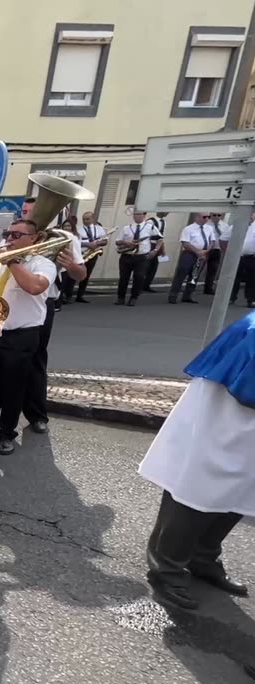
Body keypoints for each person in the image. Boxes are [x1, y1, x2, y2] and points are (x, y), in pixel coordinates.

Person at [140, 309, 254, 609]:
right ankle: (166, 567)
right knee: (200, 486)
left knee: (242, 490)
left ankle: (203, 557)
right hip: (230, 413)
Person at [0, 219, 57, 455]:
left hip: (21, 334)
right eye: (8, 234)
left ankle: (6, 434)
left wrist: (13, 262)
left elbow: (35, 287)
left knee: (13, 388)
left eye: (17, 235)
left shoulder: (43, 264)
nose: (10, 239)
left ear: (35, 238)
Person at [22, 225, 84, 435]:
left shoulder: (63, 238)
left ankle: (37, 414)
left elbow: (80, 274)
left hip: (42, 300)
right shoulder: (11, 231)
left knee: (36, 358)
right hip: (7, 297)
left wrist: (71, 265)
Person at [115, 212, 160, 307]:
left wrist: (155, 250)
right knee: (123, 277)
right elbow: (117, 241)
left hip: (142, 256)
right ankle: (121, 298)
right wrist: (125, 242)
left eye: (139, 214)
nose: (137, 216)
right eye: (135, 214)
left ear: (144, 216)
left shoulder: (150, 227)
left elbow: (160, 239)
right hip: (127, 255)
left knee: (139, 276)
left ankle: (134, 297)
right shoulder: (127, 227)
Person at [169, 213, 214, 304]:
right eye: (204, 217)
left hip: (202, 254)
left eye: (208, 217)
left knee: (195, 275)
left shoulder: (209, 228)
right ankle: (173, 295)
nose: (206, 219)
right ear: (197, 217)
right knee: (181, 274)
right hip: (189, 254)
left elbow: (212, 241)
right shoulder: (188, 229)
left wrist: (206, 251)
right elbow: (185, 243)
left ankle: (187, 295)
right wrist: (197, 252)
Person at [232, 215, 255, 308]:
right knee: (234, 277)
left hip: (252, 257)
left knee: (252, 279)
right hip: (239, 256)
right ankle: (230, 297)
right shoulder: (242, 225)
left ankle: (251, 299)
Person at [143, 213, 168, 292]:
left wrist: (162, 249)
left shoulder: (164, 222)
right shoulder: (150, 221)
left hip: (157, 245)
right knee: (145, 266)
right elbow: (145, 234)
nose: (167, 213)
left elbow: (161, 237)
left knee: (153, 267)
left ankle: (146, 285)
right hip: (149, 244)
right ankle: (139, 285)